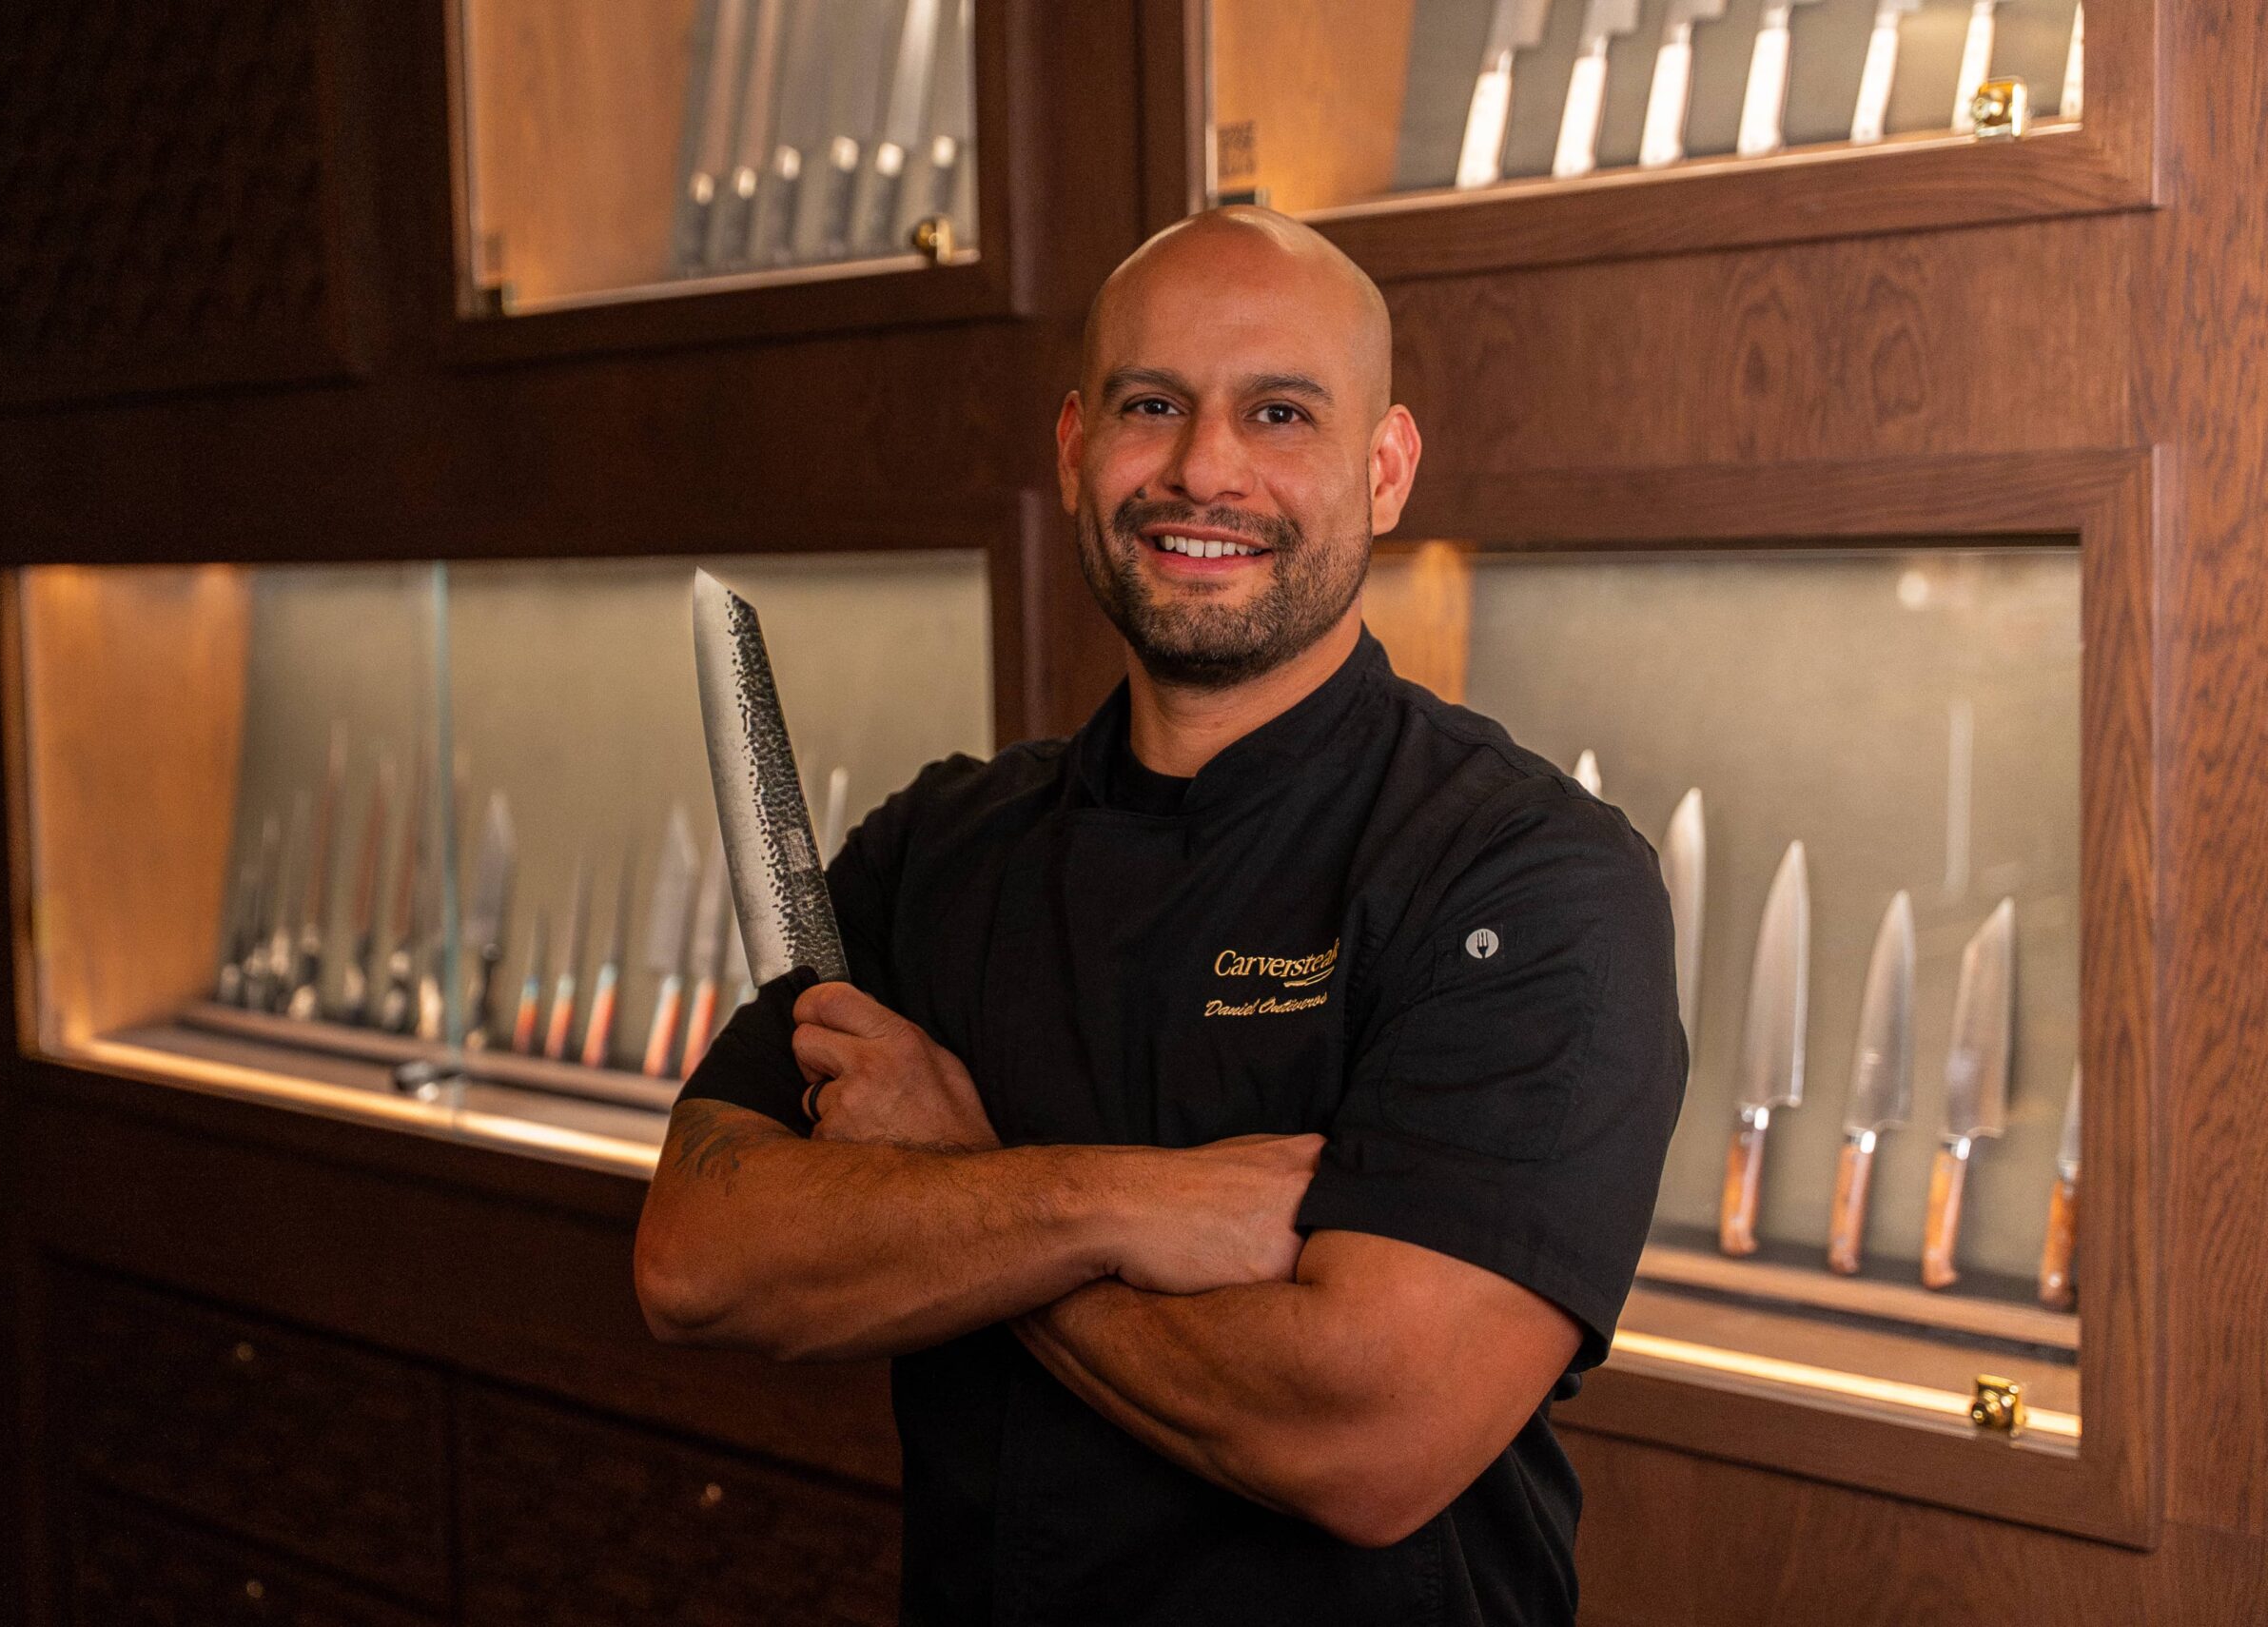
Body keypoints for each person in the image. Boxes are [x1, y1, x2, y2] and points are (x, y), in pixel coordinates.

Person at [633, 206, 1686, 1626]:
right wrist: (1117, 1200)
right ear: (1076, 451)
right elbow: (697, 1257)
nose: (1204, 468)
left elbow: (1364, 1435)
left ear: (1383, 470)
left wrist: (953, 1190)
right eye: (1152, 405)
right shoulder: (944, 847)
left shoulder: (1525, 877)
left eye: (1280, 412)